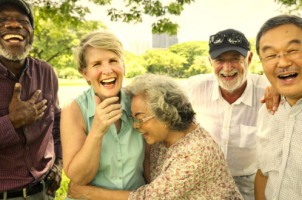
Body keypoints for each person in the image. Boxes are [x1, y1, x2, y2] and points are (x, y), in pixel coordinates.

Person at [66, 73, 243, 200]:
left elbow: (148, 198)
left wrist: (89, 193)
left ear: (166, 116)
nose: (135, 126)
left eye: (140, 118)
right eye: (133, 118)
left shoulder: (195, 152)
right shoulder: (162, 139)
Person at [185, 29, 272, 200]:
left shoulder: (269, 89)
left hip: (249, 182)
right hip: (204, 181)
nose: (227, 68)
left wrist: (281, 90)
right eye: (220, 60)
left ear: (249, 59)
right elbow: (158, 99)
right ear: (210, 62)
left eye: (235, 59)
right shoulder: (195, 86)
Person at [60, 31, 146, 198]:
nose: (107, 70)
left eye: (113, 61)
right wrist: (97, 131)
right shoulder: (73, 109)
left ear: (124, 67)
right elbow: (78, 178)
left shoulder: (140, 102)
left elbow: (150, 164)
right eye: (97, 64)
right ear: (85, 74)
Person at [0, 0, 62, 199]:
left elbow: (57, 123)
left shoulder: (46, 72)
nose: (14, 24)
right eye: (2, 20)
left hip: (43, 192)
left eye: (22, 20)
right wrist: (12, 122)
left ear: (32, 32)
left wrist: (59, 163)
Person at [254, 14, 302, 200]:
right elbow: (263, 174)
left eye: (292, 50)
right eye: (271, 55)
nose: (282, 62)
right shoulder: (268, 110)